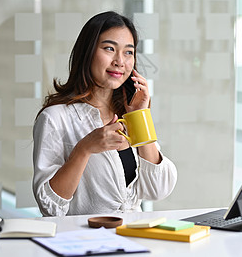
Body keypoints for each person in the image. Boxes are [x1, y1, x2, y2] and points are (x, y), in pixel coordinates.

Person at [32, 11, 177, 216]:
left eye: (128, 52)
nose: (120, 61)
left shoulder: (128, 113)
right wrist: (84, 148)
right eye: (109, 48)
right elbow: (50, 207)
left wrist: (140, 117)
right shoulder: (55, 118)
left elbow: (159, 189)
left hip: (133, 239)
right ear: (88, 52)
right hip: (84, 242)